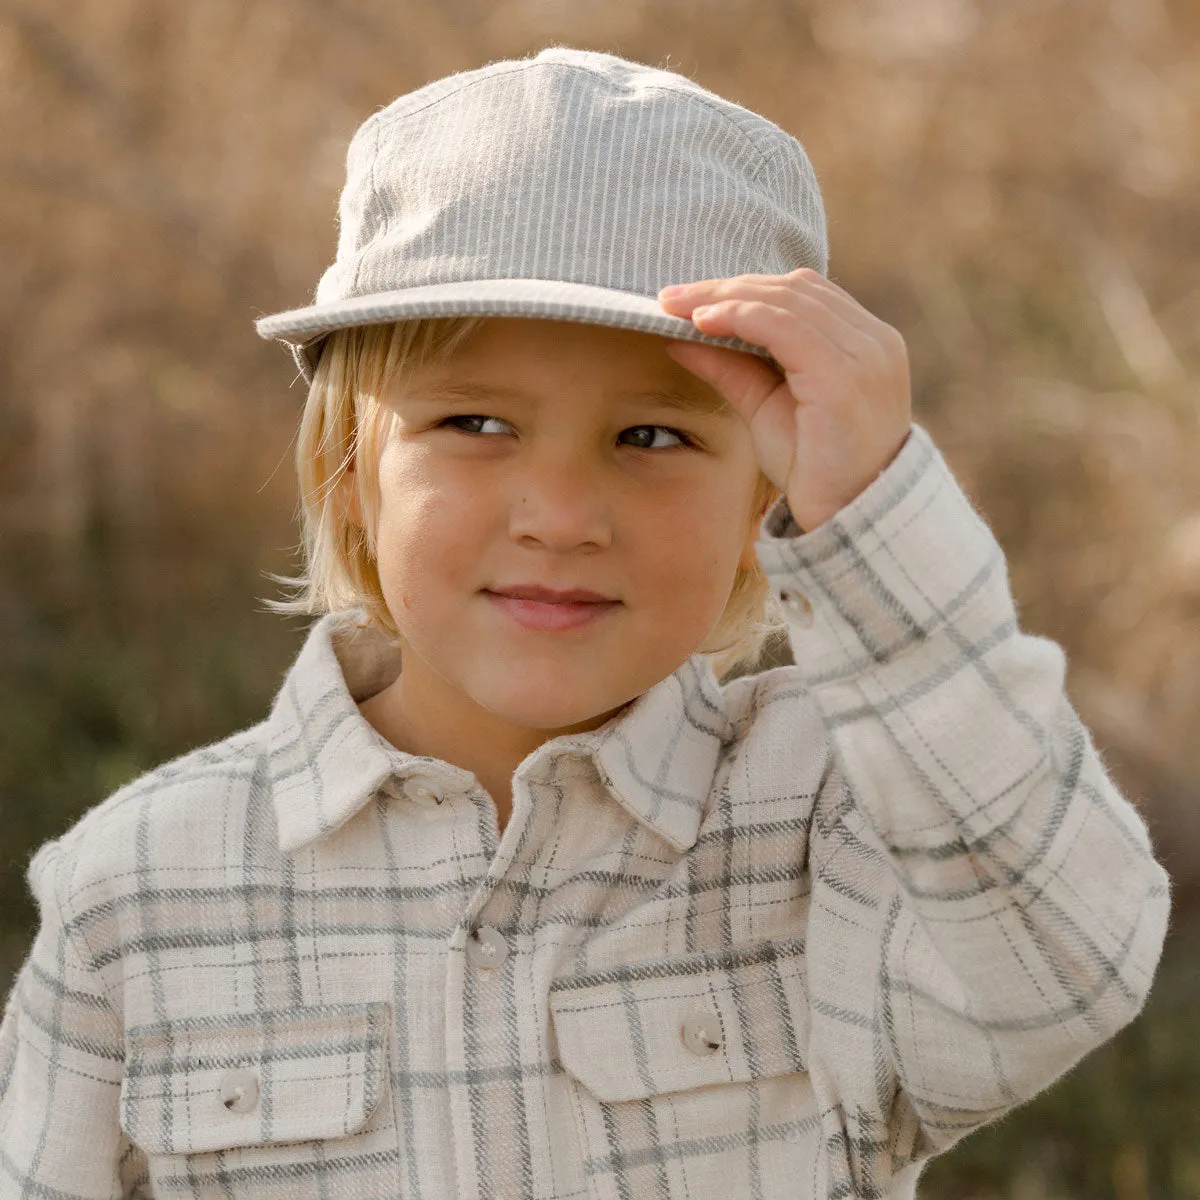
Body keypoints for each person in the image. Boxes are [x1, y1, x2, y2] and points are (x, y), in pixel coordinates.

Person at [0, 46, 1170, 1200]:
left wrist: (877, 514)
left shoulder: (841, 816)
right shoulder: (138, 893)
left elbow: (1068, 965)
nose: (560, 517)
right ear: (352, 469)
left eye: (653, 438)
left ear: (766, 498)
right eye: (474, 423)